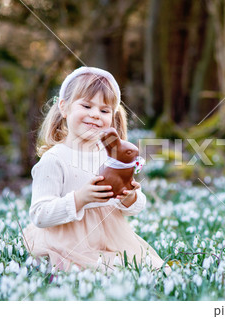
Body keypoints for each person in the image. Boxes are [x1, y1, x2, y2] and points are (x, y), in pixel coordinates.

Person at [22, 66, 168, 274]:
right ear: (64, 108)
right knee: (97, 271)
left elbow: (133, 205)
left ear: (113, 116)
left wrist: (130, 198)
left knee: (146, 269)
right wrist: (80, 198)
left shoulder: (112, 156)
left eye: (104, 110)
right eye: (87, 106)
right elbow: (40, 214)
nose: (95, 115)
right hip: (67, 242)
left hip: (110, 240)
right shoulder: (54, 159)